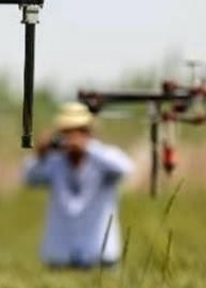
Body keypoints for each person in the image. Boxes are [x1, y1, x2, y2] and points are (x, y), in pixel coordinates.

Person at [22, 101, 135, 270]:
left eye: (78, 131)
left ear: (89, 132)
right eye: (67, 133)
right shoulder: (54, 163)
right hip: (60, 257)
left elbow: (125, 168)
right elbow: (28, 177)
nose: (71, 138)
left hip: (100, 256)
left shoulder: (103, 158)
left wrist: (87, 147)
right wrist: (40, 154)